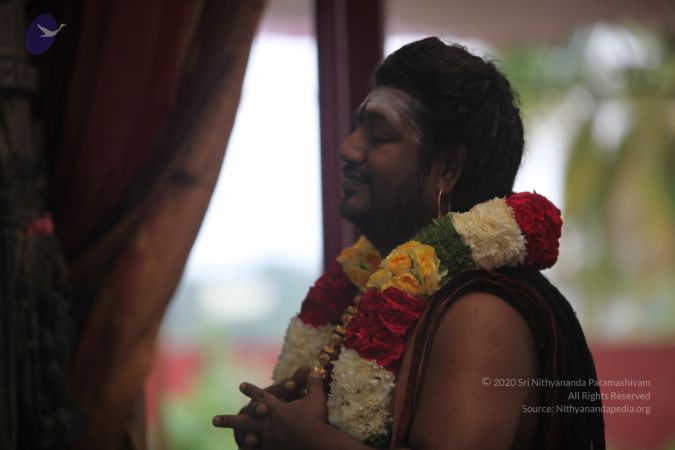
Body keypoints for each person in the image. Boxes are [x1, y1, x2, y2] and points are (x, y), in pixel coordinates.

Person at [212, 37, 605, 450]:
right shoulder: (379, 291)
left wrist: (305, 437)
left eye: (379, 135)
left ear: (448, 168)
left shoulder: (480, 314)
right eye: (357, 129)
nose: (347, 148)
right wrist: (281, 422)